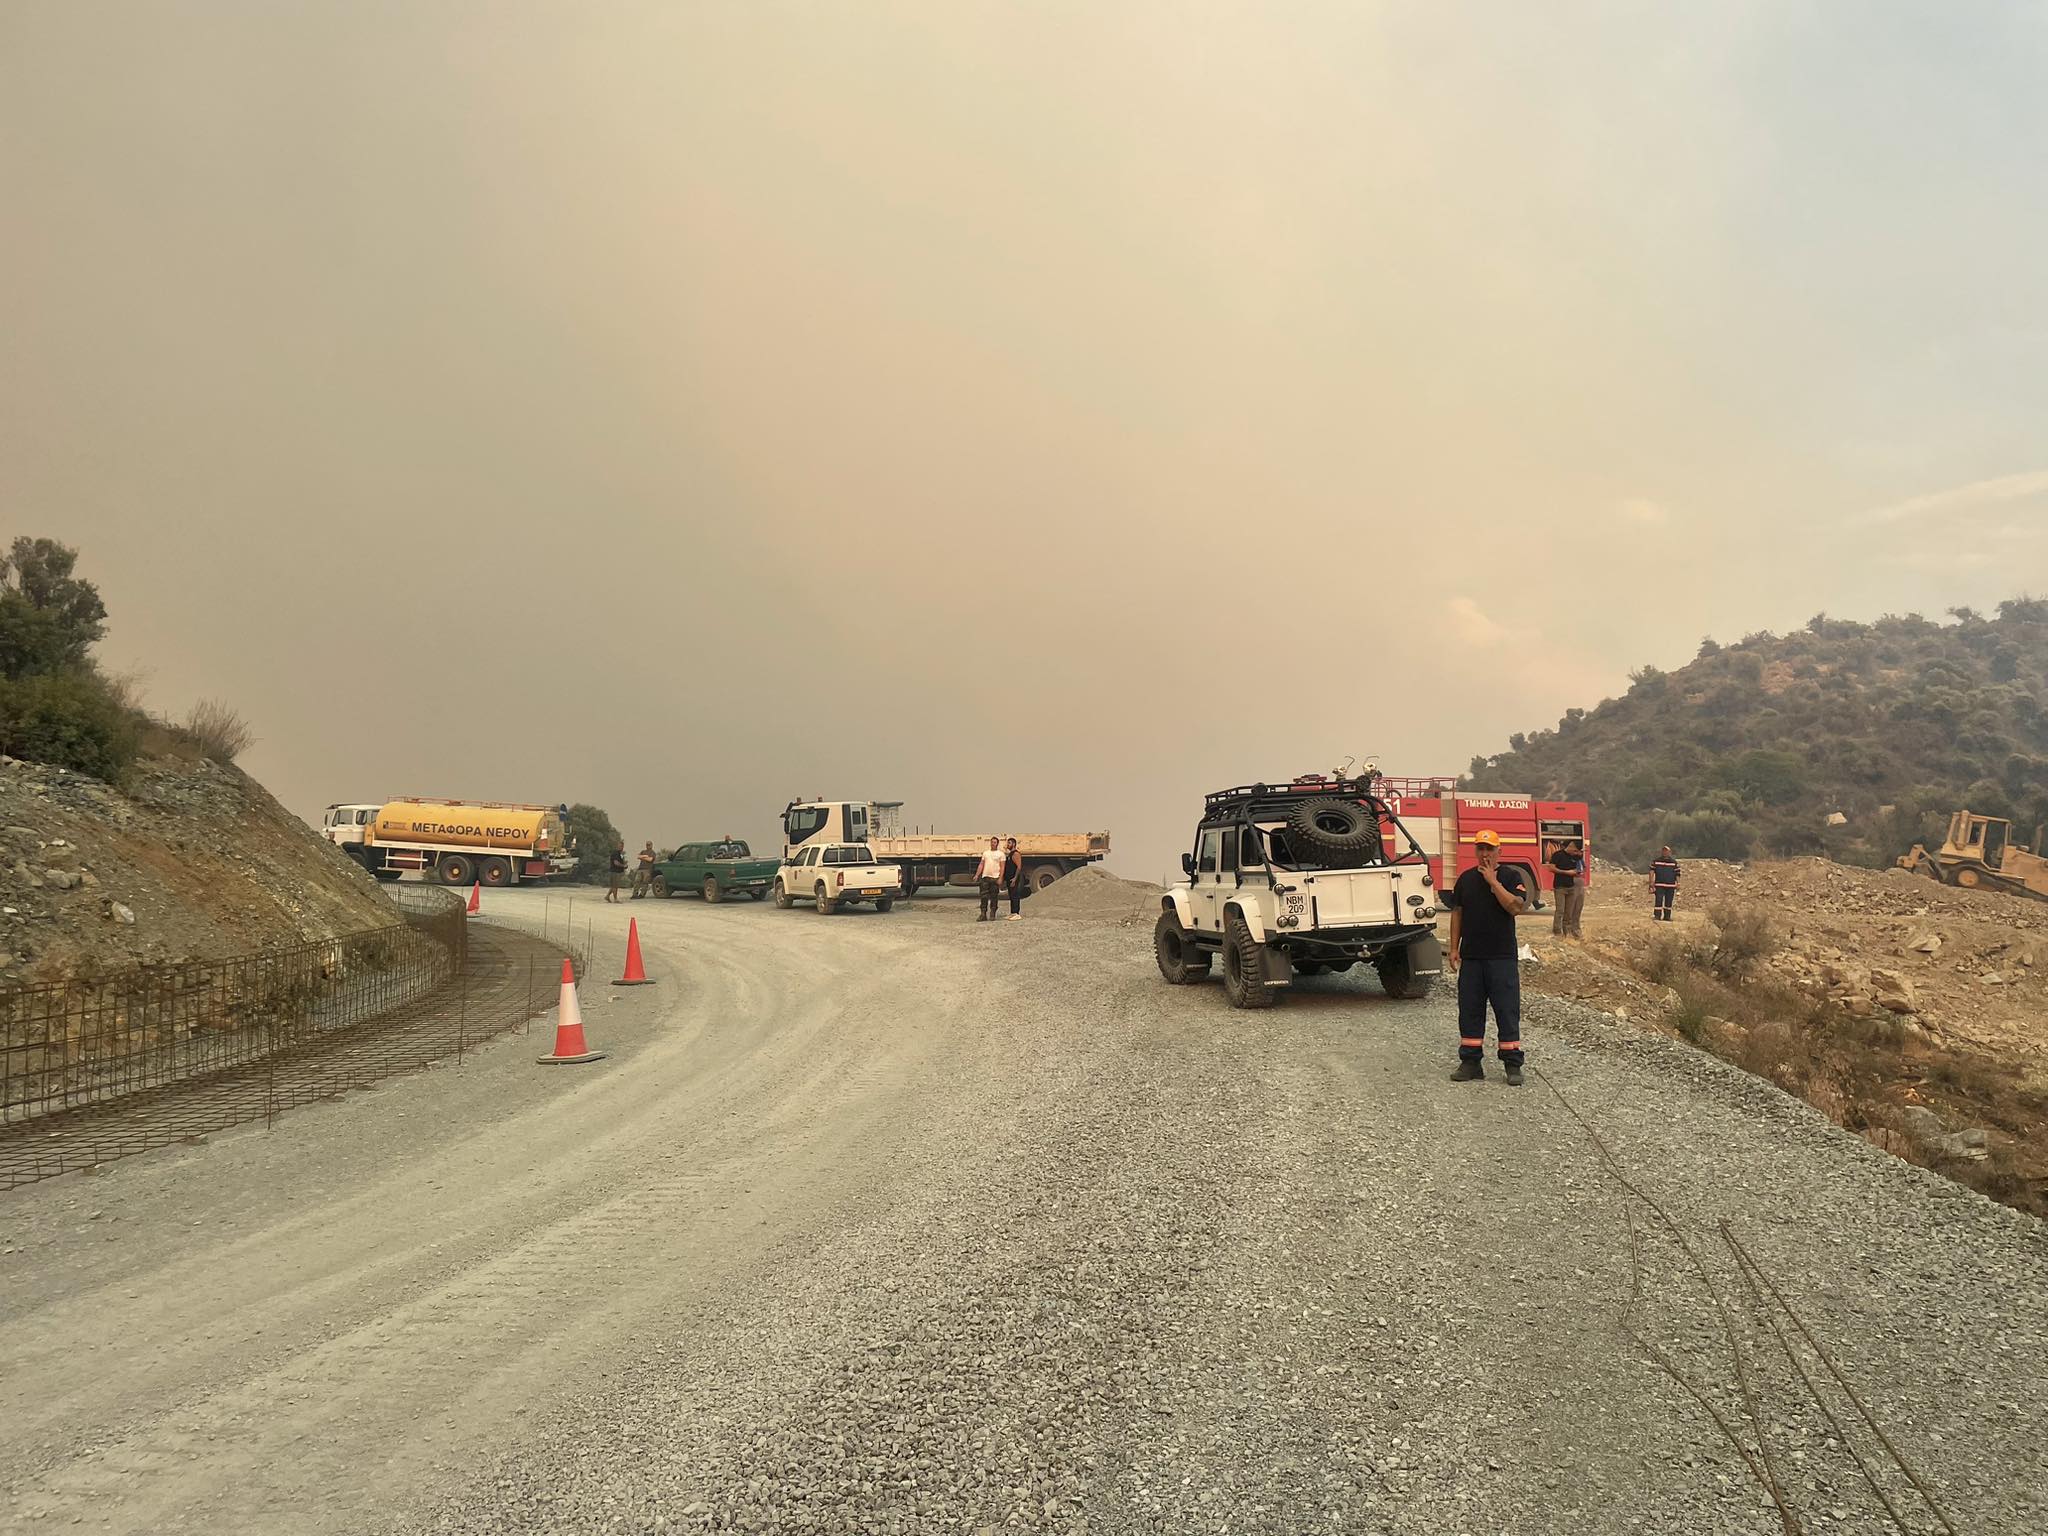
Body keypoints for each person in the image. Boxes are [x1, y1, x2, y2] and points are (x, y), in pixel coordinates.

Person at [1445, 828, 1529, 1086]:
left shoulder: (1511, 876)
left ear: (1498, 851)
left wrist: (1493, 882)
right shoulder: (1466, 879)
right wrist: (1454, 947)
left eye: (1489, 849)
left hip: (1501, 958)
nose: (1484, 854)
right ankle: (1471, 1062)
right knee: (1469, 1010)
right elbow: (1457, 913)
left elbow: (1516, 907)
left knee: (1506, 1010)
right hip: (1472, 958)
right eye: (1480, 848)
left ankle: (1512, 1064)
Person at [1549, 838, 1586, 941]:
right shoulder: (1558, 855)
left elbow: (1582, 866)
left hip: (1571, 887)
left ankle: (1567, 932)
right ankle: (1557, 932)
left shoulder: (1574, 857)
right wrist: (1566, 872)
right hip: (1560, 887)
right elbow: (1551, 868)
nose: (1576, 853)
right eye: (1575, 850)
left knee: (1569, 912)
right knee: (1560, 910)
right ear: (1571, 847)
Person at [976, 837, 1005, 922]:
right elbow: (981, 864)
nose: (993, 844)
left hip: (995, 878)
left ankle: (992, 913)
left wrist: (1000, 878)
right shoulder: (986, 853)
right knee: (983, 896)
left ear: (997, 843)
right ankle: (983, 914)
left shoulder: (1001, 854)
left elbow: (1002, 867)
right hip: (985, 877)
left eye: (995, 842)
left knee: (994, 897)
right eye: (992, 842)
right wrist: (977, 874)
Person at [1650, 846, 1681, 922]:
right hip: (1659, 884)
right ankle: (1657, 916)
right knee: (1658, 900)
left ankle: (1667, 917)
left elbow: (1677, 873)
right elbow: (1651, 871)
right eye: (1664, 851)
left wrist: (1678, 883)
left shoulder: (1673, 863)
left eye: (1666, 851)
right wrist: (1651, 882)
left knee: (1669, 901)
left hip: (1670, 885)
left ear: (1669, 852)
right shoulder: (1656, 861)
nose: (1665, 852)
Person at [1002, 838, 1024, 920]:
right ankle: (1012, 913)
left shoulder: (1016, 854)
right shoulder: (1010, 854)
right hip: (1009, 878)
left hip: (1013, 878)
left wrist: (1015, 878)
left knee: (1015, 895)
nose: (1007, 844)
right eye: (1007, 843)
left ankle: (1017, 913)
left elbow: (1019, 867)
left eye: (1009, 843)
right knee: (1011, 895)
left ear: (1014, 844)